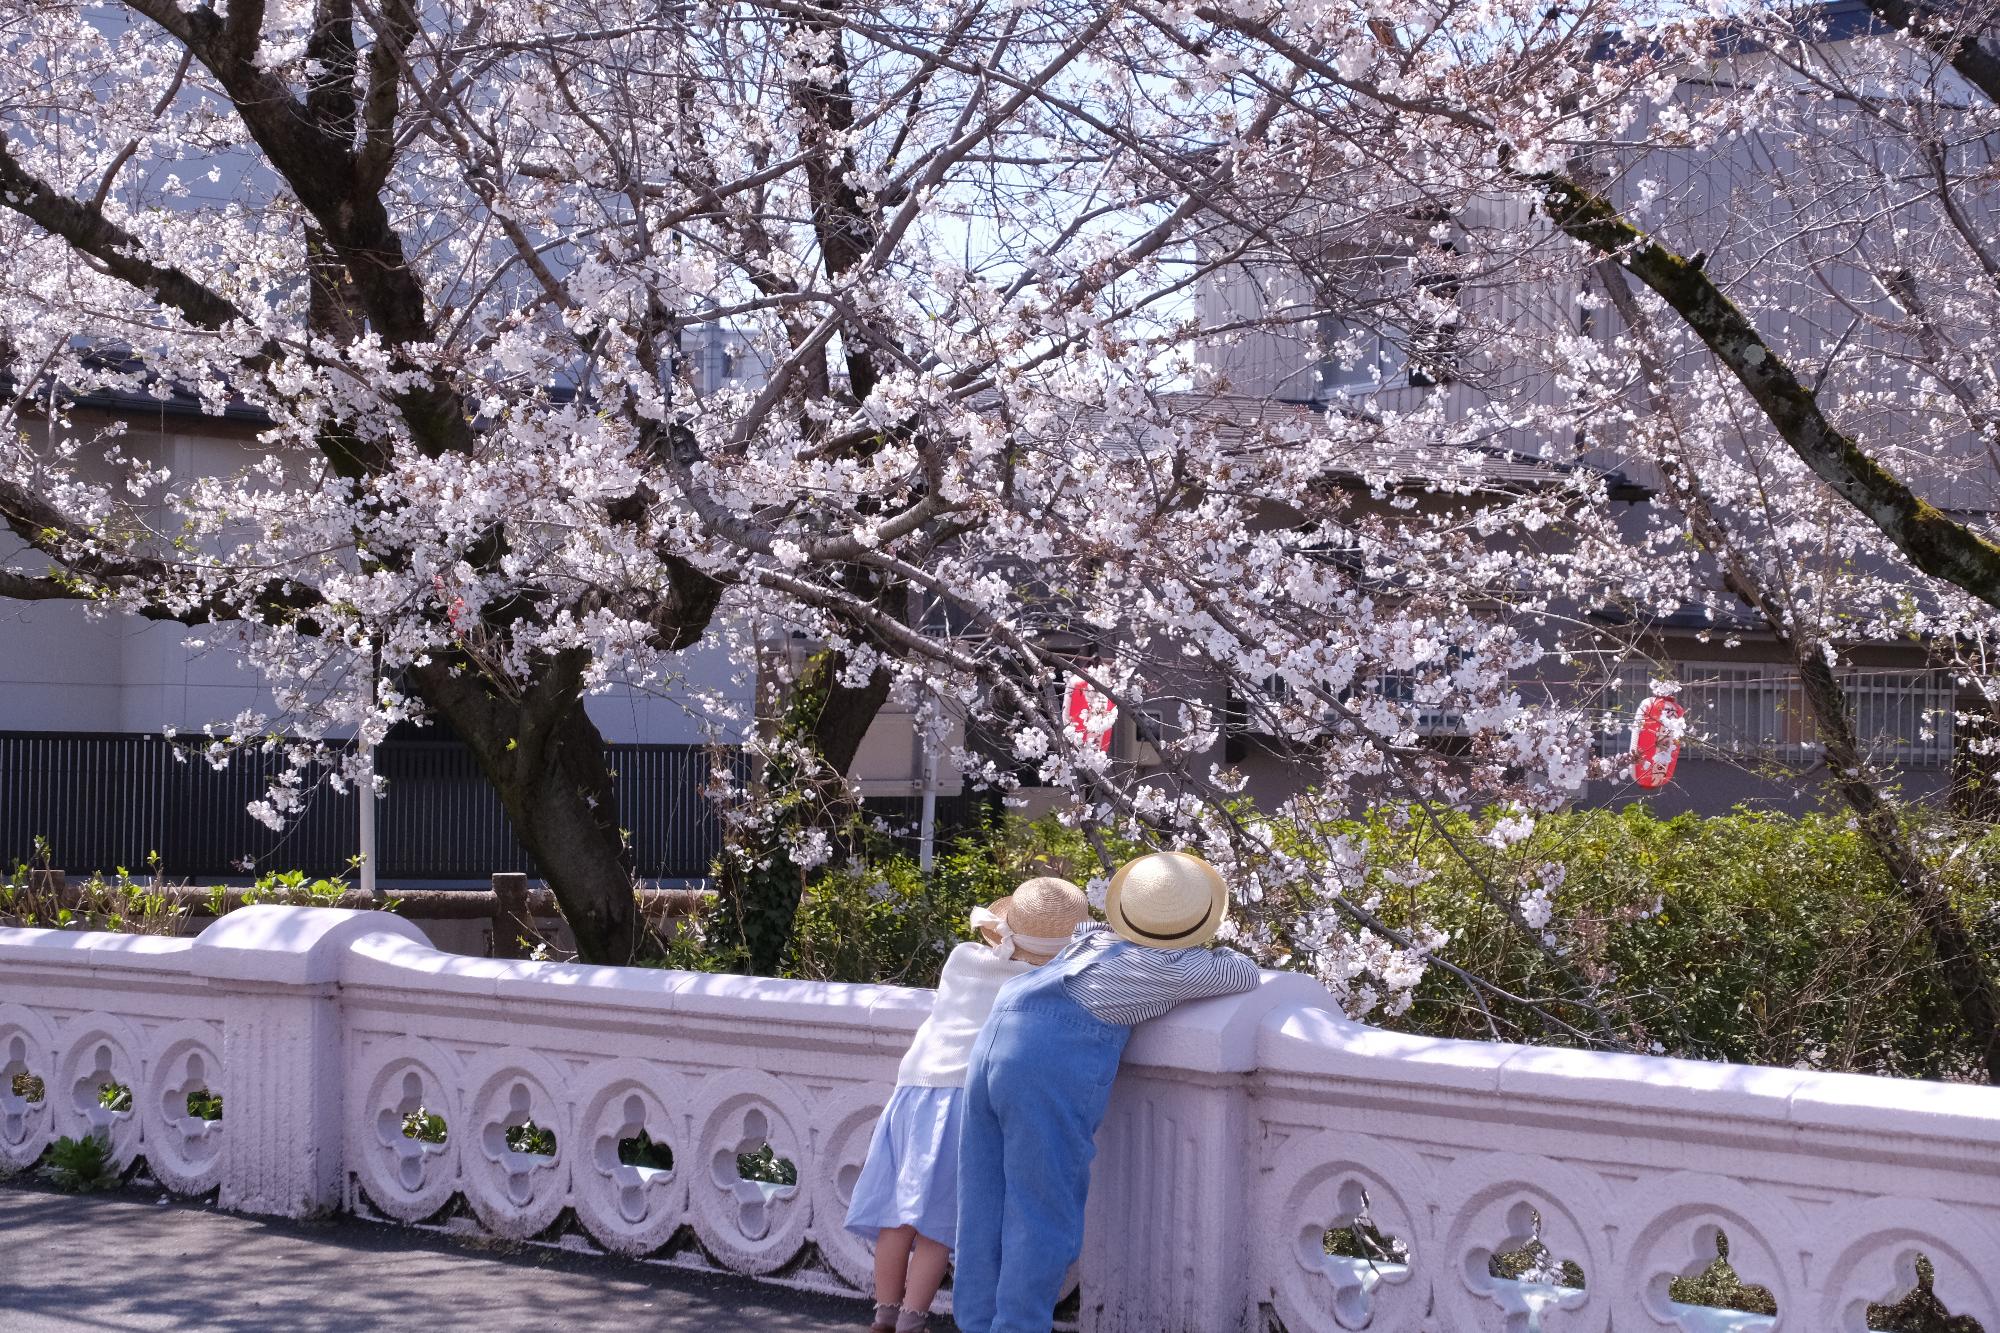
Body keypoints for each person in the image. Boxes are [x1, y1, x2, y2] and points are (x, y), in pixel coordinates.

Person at [951, 851, 1262, 1333]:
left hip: (994, 1045)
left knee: (983, 1200)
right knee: (1041, 1212)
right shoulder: (1164, 968)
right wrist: (1202, 948)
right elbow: (1242, 973)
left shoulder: (1090, 940)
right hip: (1042, 1070)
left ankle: (975, 1322)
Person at [845, 876, 1091, 1333]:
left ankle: (883, 1311)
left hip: (914, 1087)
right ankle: (913, 1317)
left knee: (898, 1213)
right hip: (966, 1097)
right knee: (939, 1218)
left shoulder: (961, 958)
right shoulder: (1040, 978)